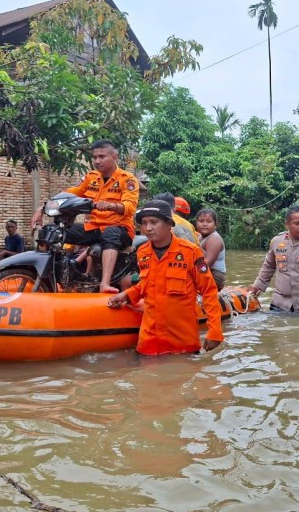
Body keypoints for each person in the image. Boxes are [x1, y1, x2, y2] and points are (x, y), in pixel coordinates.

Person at [107, 200, 223, 355]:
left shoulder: (191, 252)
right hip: (149, 342)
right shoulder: (142, 253)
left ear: (169, 224)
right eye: (144, 223)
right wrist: (126, 295)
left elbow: (209, 291)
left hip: (182, 342)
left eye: (154, 222)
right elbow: (146, 284)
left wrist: (214, 332)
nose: (148, 228)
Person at [31, 140, 139, 293]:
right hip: (93, 228)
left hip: (120, 229)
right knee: (53, 230)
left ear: (114, 157)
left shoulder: (127, 179)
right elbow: (69, 194)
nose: (97, 161)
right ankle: (52, 276)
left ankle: (105, 284)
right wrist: (41, 208)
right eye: (94, 157)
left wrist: (110, 205)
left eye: (102, 157)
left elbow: (129, 207)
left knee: (110, 233)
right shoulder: (91, 177)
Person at [195, 208, 226, 290]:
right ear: (196, 223)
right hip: (203, 273)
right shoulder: (198, 237)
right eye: (201, 221)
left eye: (209, 221)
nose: (204, 224)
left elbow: (207, 263)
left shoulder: (214, 238)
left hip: (215, 277)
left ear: (215, 225)